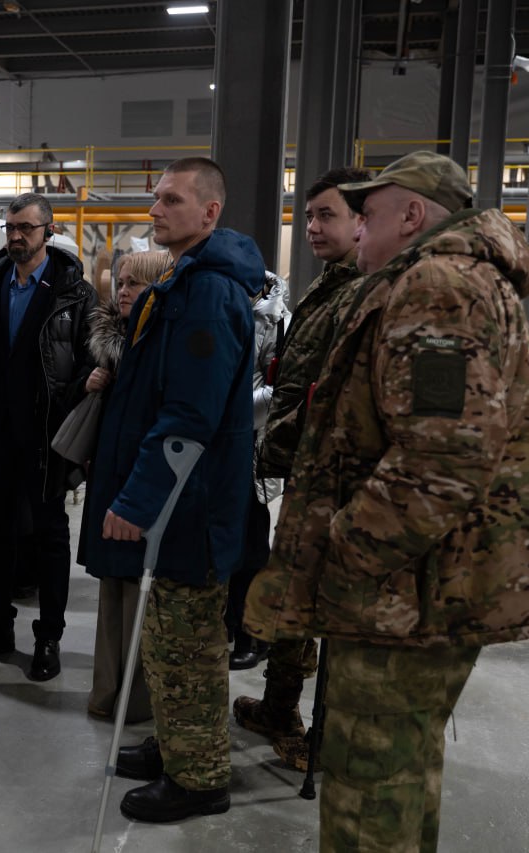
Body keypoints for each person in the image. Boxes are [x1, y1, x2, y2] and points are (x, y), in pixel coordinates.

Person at [244, 151, 529, 852]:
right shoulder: (440, 280)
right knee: (399, 775)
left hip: (404, 593)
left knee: (368, 790)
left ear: (413, 214)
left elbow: (442, 458)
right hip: (421, 585)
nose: (357, 229)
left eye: (367, 213)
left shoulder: (438, 286)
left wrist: (346, 553)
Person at [83, 157, 263, 823]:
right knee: (166, 639)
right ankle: (178, 745)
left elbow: (189, 415)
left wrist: (137, 501)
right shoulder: (185, 281)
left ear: (210, 212)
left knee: (186, 643)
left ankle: (199, 778)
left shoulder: (208, 294)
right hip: (181, 504)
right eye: (156, 198)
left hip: (193, 505)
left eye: (172, 200)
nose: (156, 210)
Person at [232, 167, 371, 770]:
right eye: (308, 216)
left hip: (337, 475)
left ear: (362, 220)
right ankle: (278, 707)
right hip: (304, 467)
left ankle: (326, 731)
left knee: (327, 603)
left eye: (326, 215)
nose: (312, 226)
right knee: (291, 593)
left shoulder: (366, 289)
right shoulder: (328, 283)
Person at [0, 192, 96, 681]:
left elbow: (89, 368)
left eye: (25, 228)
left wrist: (79, 436)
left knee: (50, 535)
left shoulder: (75, 292)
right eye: (10, 228)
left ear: (48, 231)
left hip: (47, 437)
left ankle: (48, 638)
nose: (15, 236)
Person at [81, 249, 172, 723]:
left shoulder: (160, 345)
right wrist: (93, 382)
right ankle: (106, 692)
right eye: (120, 282)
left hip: (139, 485)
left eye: (134, 283)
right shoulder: (118, 345)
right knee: (112, 589)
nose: (122, 291)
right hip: (110, 480)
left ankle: (134, 702)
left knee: (139, 593)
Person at [225, 269, 290, 671]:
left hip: (248, 442)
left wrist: (227, 412)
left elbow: (278, 387)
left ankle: (253, 633)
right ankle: (229, 623)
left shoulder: (278, 319)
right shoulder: (219, 306)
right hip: (214, 440)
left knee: (250, 545)